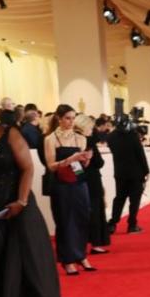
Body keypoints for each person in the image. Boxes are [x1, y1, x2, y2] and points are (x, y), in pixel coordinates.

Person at [0, 102, 69, 297]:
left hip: (18, 205)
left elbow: (28, 168)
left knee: (25, 263)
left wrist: (22, 201)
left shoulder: (10, 133)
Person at [43, 105, 94, 276]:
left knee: (82, 218)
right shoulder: (50, 139)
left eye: (73, 118)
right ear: (59, 118)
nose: (71, 122)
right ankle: (68, 260)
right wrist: (68, 159)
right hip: (60, 185)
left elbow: (79, 168)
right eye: (67, 118)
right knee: (65, 221)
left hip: (79, 182)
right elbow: (50, 166)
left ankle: (81, 255)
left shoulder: (80, 138)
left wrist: (85, 161)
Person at [107, 124, 150, 234]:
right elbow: (140, 155)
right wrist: (146, 170)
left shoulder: (111, 137)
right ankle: (132, 225)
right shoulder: (133, 136)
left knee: (119, 199)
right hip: (135, 174)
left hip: (120, 173)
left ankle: (112, 224)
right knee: (134, 201)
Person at [83, 116, 112, 253]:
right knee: (95, 211)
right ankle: (95, 243)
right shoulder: (88, 142)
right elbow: (99, 162)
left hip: (82, 181)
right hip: (92, 180)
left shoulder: (76, 140)